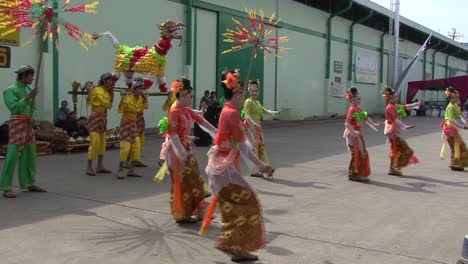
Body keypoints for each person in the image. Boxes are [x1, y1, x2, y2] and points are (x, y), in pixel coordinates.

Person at [200, 70, 274, 262]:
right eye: (241, 93)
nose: (244, 97)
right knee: (248, 204)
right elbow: (242, 146)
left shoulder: (229, 111)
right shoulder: (231, 113)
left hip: (224, 166)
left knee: (235, 207)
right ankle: (232, 245)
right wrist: (261, 165)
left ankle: (234, 246)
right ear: (238, 94)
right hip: (224, 169)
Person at [164, 77, 217, 223]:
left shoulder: (185, 110)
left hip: (185, 151)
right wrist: (181, 153)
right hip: (176, 152)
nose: (191, 99)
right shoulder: (174, 111)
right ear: (183, 94)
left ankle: (197, 212)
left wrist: (216, 132)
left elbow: (202, 122)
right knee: (185, 183)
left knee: (195, 182)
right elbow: (173, 135)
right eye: (190, 96)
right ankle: (185, 214)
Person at [0, 65, 46, 198]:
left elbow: (33, 108)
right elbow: (14, 108)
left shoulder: (29, 89)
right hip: (17, 124)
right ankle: (6, 186)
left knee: (29, 154)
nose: (32, 78)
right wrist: (27, 97)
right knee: (12, 155)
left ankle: (29, 183)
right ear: (24, 76)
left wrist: (34, 119)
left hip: (28, 124)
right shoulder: (10, 90)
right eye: (31, 76)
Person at [242, 80, 279, 177]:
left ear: (258, 92)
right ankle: (255, 170)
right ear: (249, 91)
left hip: (257, 128)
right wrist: (254, 124)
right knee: (254, 149)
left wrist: (274, 112)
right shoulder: (248, 102)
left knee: (260, 148)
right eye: (252, 91)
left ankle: (265, 168)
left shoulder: (257, 103)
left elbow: (264, 110)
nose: (254, 93)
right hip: (250, 128)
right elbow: (246, 116)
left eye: (256, 91)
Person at [343, 87, 381, 182]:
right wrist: (353, 132)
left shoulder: (359, 109)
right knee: (357, 154)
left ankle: (359, 173)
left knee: (361, 153)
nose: (356, 101)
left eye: (358, 99)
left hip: (358, 134)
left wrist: (374, 124)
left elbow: (366, 118)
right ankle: (353, 174)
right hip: (352, 135)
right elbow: (347, 123)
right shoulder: (351, 110)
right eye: (354, 99)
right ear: (350, 100)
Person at [382, 87, 421, 176]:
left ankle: (393, 168)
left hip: (395, 131)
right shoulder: (389, 108)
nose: (397, 98)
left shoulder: (396, 106)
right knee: (407, 150)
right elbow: (395, 120)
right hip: (391, 132)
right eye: (395, 97)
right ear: (389, 98)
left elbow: (406, 106)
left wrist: (417, 104)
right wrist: (405, 126)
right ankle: (396, 167)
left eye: (397, 97)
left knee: (395, 149)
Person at [116, 79, 146, 179]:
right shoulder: (127, 98)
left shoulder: (140, 99)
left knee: (136, 147)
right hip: (125, 124)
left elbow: (140, 110)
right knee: (125, 148)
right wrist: (122, 99)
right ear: (134, 89)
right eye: (140, 89)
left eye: (142, 89)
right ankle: (120, 170)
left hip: (134, 124)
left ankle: (131, 170)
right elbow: (119, 110)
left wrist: (145, 99)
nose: (142, 91)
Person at [86, 73, 114, 176]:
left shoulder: (107, 92)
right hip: (95, 117)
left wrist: (112, 93)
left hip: (102, 118)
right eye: (110, 80)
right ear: (104, 81)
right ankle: (89, 167)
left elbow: (109, 106)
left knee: (102, 143)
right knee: (95, 142)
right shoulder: (96, 90)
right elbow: (89, 101)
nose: (111, 82)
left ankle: (99, 166)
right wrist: (89, 91)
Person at [440, 87, 468, 171]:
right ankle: (455, 163)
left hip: (453, 128)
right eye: (456, 97)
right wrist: (462, 126)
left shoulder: (455, 105)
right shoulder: (450, 107)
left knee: (457, 145)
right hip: (449, 129)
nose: (457, 98)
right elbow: (451, 120)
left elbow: (461, 114)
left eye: (457, 97)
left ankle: (455, 163)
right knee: (459, 145)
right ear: (451, 97)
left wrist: (466, 121)